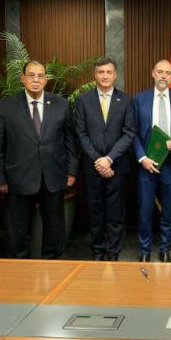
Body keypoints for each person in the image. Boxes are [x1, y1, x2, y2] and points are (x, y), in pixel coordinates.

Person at [0, 60, 77, 259]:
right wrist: (0, 179)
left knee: (54, 230)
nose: (36, 80)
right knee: (18, 232)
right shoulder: (6, 106)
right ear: (23, 78)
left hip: (53, 177)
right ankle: (21, 268)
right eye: (31, 75)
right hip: (18, 179)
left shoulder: (61, 104)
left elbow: (70, 142)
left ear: (46, 80)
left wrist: (71, 171)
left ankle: (52, 265)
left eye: (40, 76)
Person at [73, 58, 136, 261]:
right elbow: (80, 134)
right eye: (101, 72)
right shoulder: (83, 100)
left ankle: (113, 251)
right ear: (95, 75)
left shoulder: (126, 100)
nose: (105, 76)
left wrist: (109, 159)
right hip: (92, 167)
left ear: (115, 75)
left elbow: (129, 133)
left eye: (109, 72)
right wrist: (99, 161)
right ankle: (98, 250)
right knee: (95, 211)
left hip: (117, 166)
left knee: (116, 212)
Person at [132, 60, 171, 263]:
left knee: (168, 209)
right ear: (153, 73)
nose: (163, 76)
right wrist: (142, 158)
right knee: (145, 209)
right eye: (160, 72)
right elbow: (133, 132)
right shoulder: (139, 99)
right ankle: (145, 250)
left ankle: (165, 248)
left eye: (167, 72)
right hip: (146, 164)